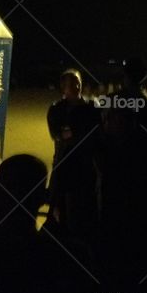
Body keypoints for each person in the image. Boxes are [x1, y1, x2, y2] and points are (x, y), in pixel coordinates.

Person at [45, 69, 100, 234]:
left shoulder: (92, 106)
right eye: (71, 83)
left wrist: (74, 133)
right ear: (63, 87)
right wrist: (82, 133)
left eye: (78, 82)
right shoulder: (56, 109)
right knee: (61, 212)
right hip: (64, 167)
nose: (76, 86)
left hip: (88, 167)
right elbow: (58, 135)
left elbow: (97, 133)